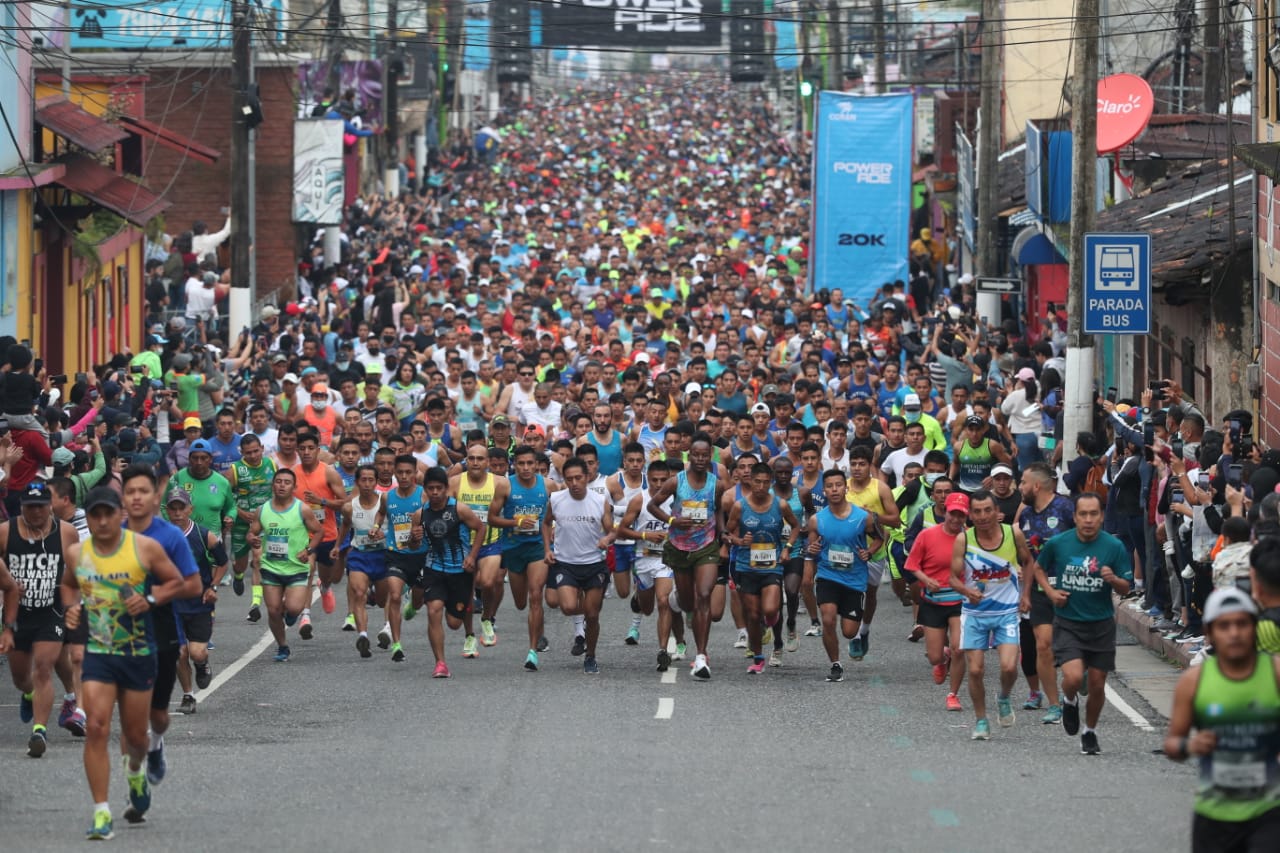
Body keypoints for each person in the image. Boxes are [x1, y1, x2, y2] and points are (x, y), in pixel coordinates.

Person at [58, 486, 186, 840]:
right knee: (97, 727)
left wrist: (149, 597)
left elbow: (177, 581)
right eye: (95, 514)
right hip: (100, 653)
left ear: (119, 515)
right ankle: (101, 812)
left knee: (134, 737)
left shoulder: (143, 548)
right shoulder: (76, 553)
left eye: (108, 514)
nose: (101, 521)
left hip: (138, 653)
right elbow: (68, 586)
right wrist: (71, 608)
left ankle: (135, 773)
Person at [1164, 587, 1280, 852]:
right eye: (1225, 626)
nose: (1235, 633)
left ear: (1254, 628)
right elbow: (1172, 745)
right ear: (1210, 632)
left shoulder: (1275, 673)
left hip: (1270, 812)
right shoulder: (1194, 682)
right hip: (1214, 816)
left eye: (1242, 624)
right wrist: (1191, 746)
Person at [1030, 492, 1134, 755]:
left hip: (1101, 625)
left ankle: (1090, 731)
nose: (1088, 520)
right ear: (1074, 517)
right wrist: (1051, 593)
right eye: (1083, 514)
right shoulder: (1059, 543)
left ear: (1101, 516)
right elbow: (1038, 568)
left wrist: (1113, 580)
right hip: (1069, 622)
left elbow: (1126, 588)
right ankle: (1069, 699)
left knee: (1097, 683)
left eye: (1094, 514)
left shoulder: (1113, 547)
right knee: (1074, 677)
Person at [0, 481, 81, 757]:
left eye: (41, 506)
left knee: (44, 667)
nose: (36, 512)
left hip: (51, 611)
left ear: (51, 506)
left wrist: (74, 604)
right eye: (30, 507)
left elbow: (76, 572)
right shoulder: (5, 532)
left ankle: (39, 731)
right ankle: (29, 694)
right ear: (21, 507)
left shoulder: (67, 533)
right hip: (18, 614)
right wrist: (9, 585)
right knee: (22, 678)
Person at [950, 490, 1034, 741]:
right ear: (970, 515)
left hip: (1007, 612)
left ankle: (1004, 697)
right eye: (977, 511)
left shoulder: (1012, 533)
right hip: (974, 614)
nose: (983, 516)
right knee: (975, 671)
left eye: (988, 510)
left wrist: (1026, 594)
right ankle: (981, 720)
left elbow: (1028, 562)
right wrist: (966, 590)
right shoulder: (963, 540)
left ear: (997, 512)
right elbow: (952, 577)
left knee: (1009, 667)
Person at [647, 433, 726, 680]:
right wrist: (673, 520)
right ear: (689, 456)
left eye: (705, 455)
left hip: (707, 547)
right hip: (680, 547)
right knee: (688, 602)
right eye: (696, 455)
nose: (701, 459)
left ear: (710, 456)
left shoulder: (717, 484)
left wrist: (724, 538)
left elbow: (720, 512)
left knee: (704, 596)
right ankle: (675, 600)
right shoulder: (676, 482)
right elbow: (652, 505)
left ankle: (701, 657)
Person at [804, 468, 881, 683]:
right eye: (829, 486)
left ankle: (857, 634)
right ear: (825, 490)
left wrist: (870, 552)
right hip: (828, 576)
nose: (834, 489)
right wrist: (812, 550)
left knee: (848, 631)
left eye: (838, 485)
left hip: (855, 579)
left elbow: (878, 538)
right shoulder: (817, 520)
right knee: (828, 619)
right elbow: (812, 546)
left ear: (845, 488)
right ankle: (835, 664)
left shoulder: (863, 517)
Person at [1014, 461, 1076, 723]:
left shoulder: (1065, 508)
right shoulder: (1026, 515)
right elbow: (1029, 559)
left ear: (1036, 485)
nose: (1020, 487)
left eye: (1023, 482)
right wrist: (1025, 594)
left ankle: (1077, 677)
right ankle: (1053, 704)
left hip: (1070, 587)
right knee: (1043, 645)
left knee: (1073, 645)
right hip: (1039, 589)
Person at [725, 462, 800, 673]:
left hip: (772, 566)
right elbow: (728, 533)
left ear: (771, 482)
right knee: (753, 615)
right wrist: (739, 541)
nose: (761, 486)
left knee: (769, 609)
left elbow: (795, 526)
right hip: (746, 566)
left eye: (766, 482)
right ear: (750, 481)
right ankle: (758, 658)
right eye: (757, 481)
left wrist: (787, 548)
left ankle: (772, 622)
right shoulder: (740, 506)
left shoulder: (781, 505)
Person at [544, 457, 615, 674]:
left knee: (592, 616)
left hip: (594, 563)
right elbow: (546, 523)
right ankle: (586, 607)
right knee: (566, 606)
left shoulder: (598, 500)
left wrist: (607, 539)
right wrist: (547, 549)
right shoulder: (556, 499)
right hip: (565, 563)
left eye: (578, 478)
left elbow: (612, 530)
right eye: (569, 479)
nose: (574, 483)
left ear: (587, 477)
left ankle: (590, 656)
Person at [414, 466, 486, 678]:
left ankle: (458, 604)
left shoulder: (459, 509)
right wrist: (413, 538)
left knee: (454, 623)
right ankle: (440, 663)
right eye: (431, 489)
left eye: (439, 488)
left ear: (446, 489)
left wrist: (472, 556)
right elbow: (412, 545)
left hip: (460, 571)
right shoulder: (420, 514)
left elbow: (480, 528)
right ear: (425, 490)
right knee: (433, 610)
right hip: (434, 569)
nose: (435, 493)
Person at [248, 468, 325, 663]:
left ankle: (291, 614)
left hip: (296, 567)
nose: (282, 485)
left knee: (293, 608)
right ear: (273, 485)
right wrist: (253, 539)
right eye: (278, 481)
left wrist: (307, 551)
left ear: (294, 487)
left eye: (287, 482)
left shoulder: (302, 509)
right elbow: (253, 531)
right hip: (271, 566)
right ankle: (282, 646)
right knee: (273, 610)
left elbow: (318, 532)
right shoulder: (263, 509)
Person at [164, 487, 228, 715]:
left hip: (199, 603)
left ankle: (202, 665)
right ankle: (188, 694)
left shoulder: (203, 534)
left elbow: (222, 561)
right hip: (170, 605)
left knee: (197, 652)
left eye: (182, 508)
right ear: (167, 511)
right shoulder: (160, 537)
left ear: (190, 509)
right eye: (173, 508)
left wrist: (213, 586)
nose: (178, 513)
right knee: (179, 652)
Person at [904, 491, 969, 712]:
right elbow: (911, 565)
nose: (956, 519)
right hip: (932, 601)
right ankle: (943, 659)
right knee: (934, 657)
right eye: (953, 514)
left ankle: (953, 695)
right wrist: (925, 579)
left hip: (960, 600)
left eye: (961, 515)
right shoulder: (927, 535)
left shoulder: (970, 537)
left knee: (960, 648)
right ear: (945, 512)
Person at [618, 459, 678, 671]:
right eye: (655, 480)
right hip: (643, 558)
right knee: (648, 608)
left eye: (664, 480)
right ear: (647, 478)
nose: (659, 484)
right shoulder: (639, 500)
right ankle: (638, 595)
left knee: (664, 602)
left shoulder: (675, 500)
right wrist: (645, 534)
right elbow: (621, 530)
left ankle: (662, 651)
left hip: (665, 560)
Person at [451, 440, 510, 648]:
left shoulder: (500, 483)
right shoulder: (455, 482)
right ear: (466, 461)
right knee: (467, 592)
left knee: (487, 582)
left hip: (491, 542)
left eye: (480, 459)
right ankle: (469, 635)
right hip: (464, 545)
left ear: (487, 462)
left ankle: (486, 617)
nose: (475, 462)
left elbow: (513, 507)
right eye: (471, 458)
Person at [336, 465, 387, 658]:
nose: (367, 484)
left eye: (370, 480)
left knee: (383, 600)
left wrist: (384, 534)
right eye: (363, 480)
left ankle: (384, 622)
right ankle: (363, 635)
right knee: (358, 593)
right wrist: (337, 546)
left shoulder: (385, 503)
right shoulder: (350, 507)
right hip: (359, 555)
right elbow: (346, 527)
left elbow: (397, 528)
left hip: (382, 555)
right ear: (357, 482)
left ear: (376, 482)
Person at [227, 433, 276, 622]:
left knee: (258, 559)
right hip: (241, 523)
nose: (254, 456)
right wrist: (239, 512)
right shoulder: (235, 470)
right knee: (240, 563)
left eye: (256, 451)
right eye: (249, 453)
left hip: (263, 522)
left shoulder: (271, 465)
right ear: (242, 452)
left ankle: (255, 604)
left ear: (262, 448)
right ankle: (238, 574)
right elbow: (225, 496)